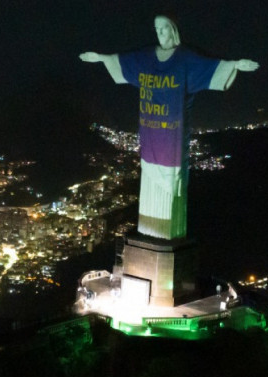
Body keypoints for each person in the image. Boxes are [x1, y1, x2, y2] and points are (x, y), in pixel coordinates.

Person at [80, 16, 258, 240]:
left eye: (164, 28)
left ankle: (166, 235)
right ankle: (151, 234)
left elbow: (209, 66)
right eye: (156, 29)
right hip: (149, 135)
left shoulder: (185, 58)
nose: (160, 33)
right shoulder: (145, 58)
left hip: (172, 137)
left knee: (172, 189)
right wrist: (100, 58)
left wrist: (235, 65)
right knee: (149, 183)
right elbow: (124, 61)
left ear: (172, 30)